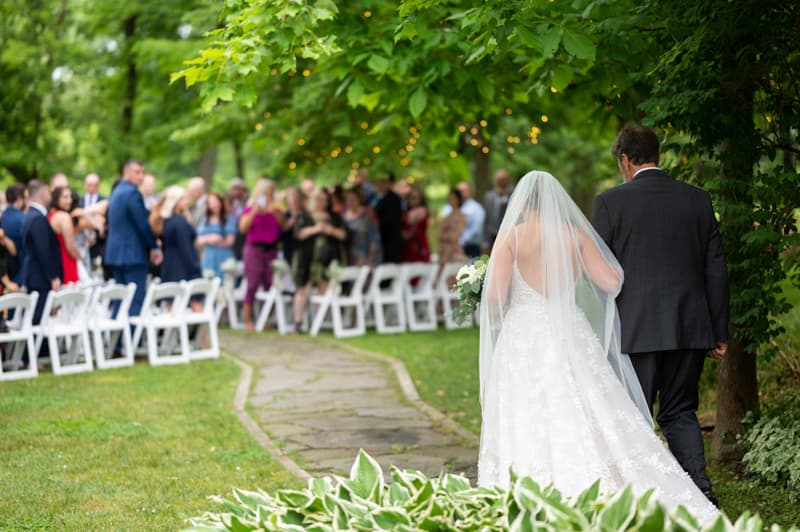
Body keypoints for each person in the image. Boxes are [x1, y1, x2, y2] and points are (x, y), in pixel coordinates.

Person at [477, 170, 718, 524]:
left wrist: (487, 286)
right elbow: (611, 281)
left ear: (523, 205)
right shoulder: (575, 235)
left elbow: (495, 298)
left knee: (529, 409)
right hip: (569, 330)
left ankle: (532, 493)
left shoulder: (512, 239)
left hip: (524, 334)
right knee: (587, 405)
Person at [592, 125, 729, 505]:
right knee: (680, 411)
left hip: (635, 329)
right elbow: (715, 268)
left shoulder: (610, 203)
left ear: (624, 159)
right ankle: (700, 494)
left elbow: (600, 272)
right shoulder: (697, 199)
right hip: (689, 326)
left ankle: (640, 498)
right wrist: (718, 330)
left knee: (634, 414)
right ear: (657, 154)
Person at [105, 160, 163, 318]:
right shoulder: (132, 193)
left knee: (119, 299)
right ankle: (131, 340)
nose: (141, 177)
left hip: (116, 254)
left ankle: (116, 341)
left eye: (142, 172)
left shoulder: (116, 192)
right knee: (134, 301)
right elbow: (142, 224)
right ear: (126, 173)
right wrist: (154, 247)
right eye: (137, 172)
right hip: (132, 254)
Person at [291, 188, 347, 332]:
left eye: (324, 199)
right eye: (318, 199)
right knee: (303, 289)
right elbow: (298, 234)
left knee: (324, 288)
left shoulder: (334, 217)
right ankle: (298, 323)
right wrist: (316, 229)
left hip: (327, 258)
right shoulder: (304, 216)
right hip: (307, 259)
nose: (321, 202)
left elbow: (344, 235)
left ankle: (319, 322)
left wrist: (330, 230)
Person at [22, 180, 62, 365]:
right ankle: (31, 357)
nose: (49, 195)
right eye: (47, 192)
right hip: (39, 276)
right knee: (37, 317)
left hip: (36, 274)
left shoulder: (32, 215)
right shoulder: (37, 218)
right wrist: (53, 276)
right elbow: (43, 250)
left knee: (40, 316)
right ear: (41, 194)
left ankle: (39, 356)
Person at [238, 178, 285, 330]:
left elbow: (283, 225)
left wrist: (274, 211)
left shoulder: (277, 209)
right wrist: (255, 211)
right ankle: (248, 319)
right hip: (254, 249)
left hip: (271, 249)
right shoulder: (250, 208)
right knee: (252, 283)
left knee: (269, 283)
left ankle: (267, 318)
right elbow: (243, 229)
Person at [150, 186, 202, 287]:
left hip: (169, 265)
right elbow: (185, 248)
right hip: (184, 268)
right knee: (195, 301)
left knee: (171, 299)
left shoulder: (166, 221)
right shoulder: (179, 223)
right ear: (175, 201)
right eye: (183, 199)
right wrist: (195, 268)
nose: (187, 202)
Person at [196, 192, 237, 279]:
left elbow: (230, 241)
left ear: (221, 202)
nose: (214, 205)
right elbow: (199, 240)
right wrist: (209, 238)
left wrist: (217, 241)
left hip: (223, 255)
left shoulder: (228, 219)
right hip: (208, 256)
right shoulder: (205, 220)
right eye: (211, 203)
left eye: (216, 202)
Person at [442, 181, 485, 258]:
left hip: (470, 247)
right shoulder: (448, 208)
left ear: (470, 191)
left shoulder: (477, 209)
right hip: (449, 247)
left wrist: (459, 242)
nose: (461, 193)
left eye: (464, 191)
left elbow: (476, 229)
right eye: (459, 191)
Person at [48, 186, 81, 285]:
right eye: (65, 197)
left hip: (55, 261)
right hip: (67, 260)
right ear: (57, 199)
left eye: (70, 197)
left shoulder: (50, 215)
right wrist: (80, 259)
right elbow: (70, 245)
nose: (69, 201)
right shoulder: (64, 217)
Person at [342, 186, 381, 267]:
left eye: (353, 199)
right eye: (347, 200)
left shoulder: (367, 216)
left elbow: (374, 239)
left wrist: (371, 261)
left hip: (363, 259)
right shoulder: (342, 216)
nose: (350, 202)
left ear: (359, 199)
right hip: (346, 258)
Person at [482, 169, 514, 252]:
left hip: (508, 234)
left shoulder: (514, 195)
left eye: (503, 179)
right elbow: (486, 219)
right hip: (491, 235)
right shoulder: (489, 196)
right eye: (499, 180)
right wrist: (485, 241)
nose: (501, 182)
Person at [374, 173, 403, 263]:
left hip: (390, 241)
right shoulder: (382, 198)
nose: (380, 185)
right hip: (386, 240)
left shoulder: (392, 198)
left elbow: (390, 220)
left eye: (383, 182)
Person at [2, 184, 27, 286]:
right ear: (19, 199)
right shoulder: (23, 219)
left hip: (5, 274)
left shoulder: (3, 217)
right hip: (21, 273)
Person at [81, 173, 107, 267]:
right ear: (85, 185)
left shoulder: (104, 200)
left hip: (99, 243)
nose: (92, 187)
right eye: (89, 184)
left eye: (95, 184)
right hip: (82, 241)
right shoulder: (79, 201)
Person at [400, 184, 430, 263]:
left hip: (419, 248)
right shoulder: (406, 212)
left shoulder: (422, 211)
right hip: (407, 249)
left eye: (416, 198)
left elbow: (407, 220)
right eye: (411, 198)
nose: (413, 200)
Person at [437, 188, 467, 266]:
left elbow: (455, 236)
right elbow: (438, 235)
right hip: (443, 250)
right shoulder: (446, 217)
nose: (450, 199)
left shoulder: (461, 217)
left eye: (453, 197)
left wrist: (445, 236)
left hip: (453, 251)